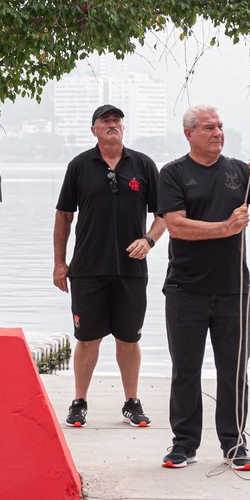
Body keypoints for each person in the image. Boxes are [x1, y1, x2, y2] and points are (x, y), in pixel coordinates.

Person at [157, 105, 250, 471]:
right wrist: (224, 228)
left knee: (233, 371)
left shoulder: (240, 172)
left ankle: (235, 444)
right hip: (185, 289)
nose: (217, 133)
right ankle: (184, 445)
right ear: (189, 133)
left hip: (233, 290)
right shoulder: (173, 173)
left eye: (221, 126)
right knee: (185, 370)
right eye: (209, 127)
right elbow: (176, 226)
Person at [53, 104, 166, 428]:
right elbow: (63, 216)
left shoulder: (143, 165)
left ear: (123, 128)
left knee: (129, 338)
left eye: (117, 120)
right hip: (87, 267)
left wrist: (149, 240)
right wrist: (60, 263)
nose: (112, 124)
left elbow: (163, 216)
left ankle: (131, 401)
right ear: (94, 130)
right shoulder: (79, 166)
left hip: (130, 268)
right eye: (105, 121)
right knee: (87, 338)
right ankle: (79, 401)